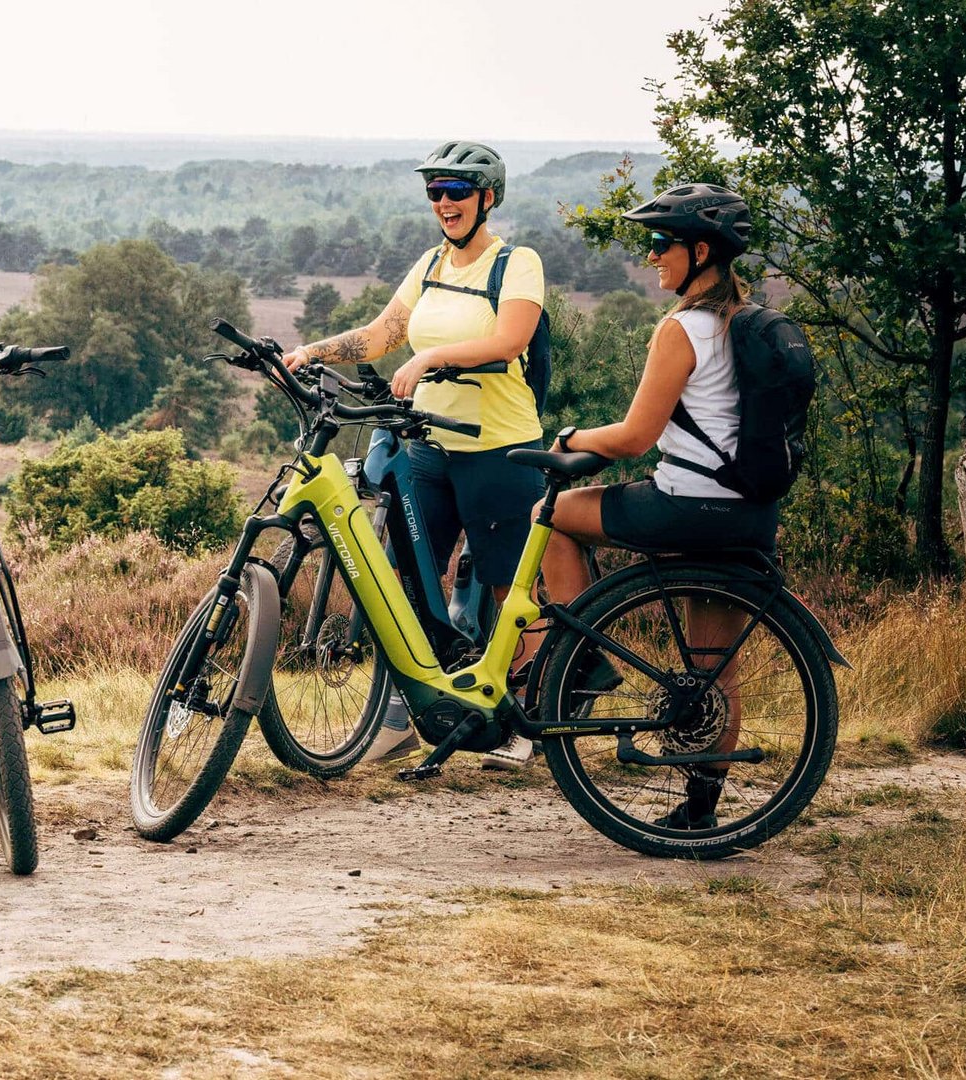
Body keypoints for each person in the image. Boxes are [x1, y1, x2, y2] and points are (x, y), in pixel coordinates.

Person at [282, 140, 546, 769]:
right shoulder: (430, 264)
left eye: (456, 191)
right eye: (435, 192)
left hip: (497, 447)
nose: (444, 203)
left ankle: (526, 722)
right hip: (427, 446)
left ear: (487, 197)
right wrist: (311, 351)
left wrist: (431, 358)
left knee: (511, 588)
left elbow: (509, 339)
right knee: (401, 578)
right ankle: (405, 714)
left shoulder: (517, 263)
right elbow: (381, 335)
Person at [534, 182, 769, 829]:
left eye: (662, 244)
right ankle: (699, 814)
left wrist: (573, 440)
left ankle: (583, 663)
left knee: (551, 516)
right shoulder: (747, 326)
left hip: (684, 506)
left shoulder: (683, 329)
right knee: (712, 667)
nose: (653, 257)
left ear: (700, 250)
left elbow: (636, 437)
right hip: (746, 515)